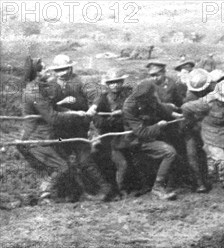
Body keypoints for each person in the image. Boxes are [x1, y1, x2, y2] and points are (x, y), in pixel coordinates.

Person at [17, 75, 112, 203]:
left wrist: (92, 108)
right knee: (66, 164)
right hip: (60, 134)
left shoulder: (81, 82)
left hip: (78, 129)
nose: (61, 73)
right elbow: (52, 108)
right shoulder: (52, 85)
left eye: (64, 68)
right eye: (58, 70)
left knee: (84, 161)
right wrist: (66, 108)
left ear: (70, 68)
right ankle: (74, 193)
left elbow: (99, 93)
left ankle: (105, 189)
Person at [181, 80, 224, 198]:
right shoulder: (207, 102)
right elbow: (185, 108)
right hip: (212, 136)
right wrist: (196, 120)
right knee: (223, 162)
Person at [121, 81, 184, 200]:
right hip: (138, 141)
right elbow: (140, 132)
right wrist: (158, 126)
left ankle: (169, 184)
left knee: (177, 150)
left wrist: (175, 114)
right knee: (170, 152)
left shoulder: (149, 97)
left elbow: (160, 107)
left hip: (152, 135)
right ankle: (157, 188)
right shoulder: (129, 106)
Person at [91, 68, 137, 196]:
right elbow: (98, 122)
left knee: (135, 160)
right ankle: (120, 190)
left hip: (127, 135)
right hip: (110, 138)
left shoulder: (128, 95)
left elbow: (135, 110)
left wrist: (122, 113)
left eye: (117, 82)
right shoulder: (102, 99)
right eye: (111, 83)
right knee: (122, 164)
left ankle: (133, 186)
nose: (115, 85)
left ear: (122, 82)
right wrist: (113, 118)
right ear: (107, 84)